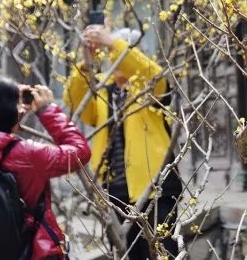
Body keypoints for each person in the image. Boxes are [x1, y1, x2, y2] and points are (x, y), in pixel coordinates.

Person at [64, 25, 181, 259]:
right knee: (126, 252)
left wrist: (112, 43)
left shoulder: (149, 88)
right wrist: (85, 65)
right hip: (115, 191)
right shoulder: (104, 93)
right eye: (110, 52)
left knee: (162, 251)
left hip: (154, 187)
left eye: (118, 51)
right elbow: (76, 102)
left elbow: (154, 75)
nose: (113, 57)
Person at [0, 76, 91, 260]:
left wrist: (9, 95)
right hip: (36, 252)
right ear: (5, 111)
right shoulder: (28, 155)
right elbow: (81, 152)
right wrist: (47, 110)